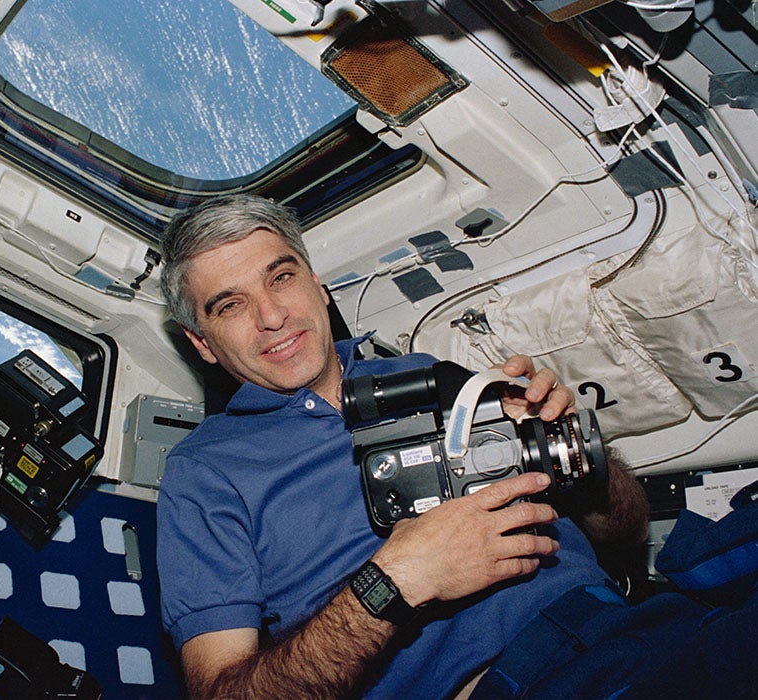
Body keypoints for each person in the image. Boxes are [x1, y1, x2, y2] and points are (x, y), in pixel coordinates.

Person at [156, 194, 650, 699]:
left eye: (281, 277)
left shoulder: (436, 376)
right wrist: (398, 581)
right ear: (202, 343)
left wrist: (570, 447)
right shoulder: (204, 473)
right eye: (231, 305)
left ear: (318, 286)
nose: (272, 316)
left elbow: (625, 533)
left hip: (627, 628)